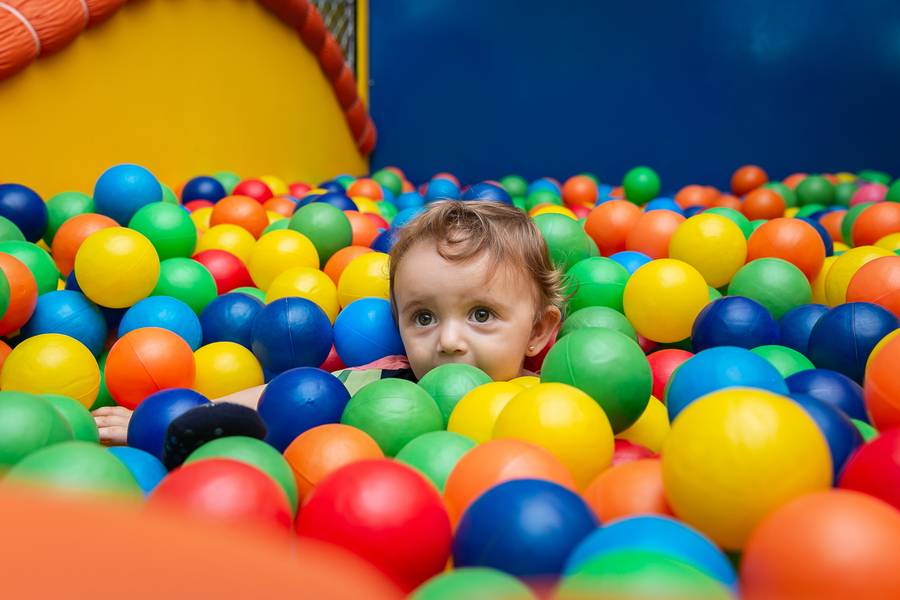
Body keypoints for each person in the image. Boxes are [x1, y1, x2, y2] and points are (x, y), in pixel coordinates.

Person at [93, 200, 564, 444]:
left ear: (539, 331)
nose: (449, 341)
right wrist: (174, 420)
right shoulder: (383, 380)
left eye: (482, 314)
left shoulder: (551, 400)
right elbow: (280, 398)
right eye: (423, 316)